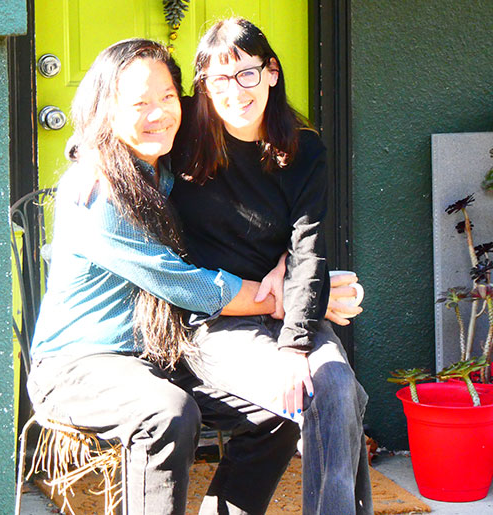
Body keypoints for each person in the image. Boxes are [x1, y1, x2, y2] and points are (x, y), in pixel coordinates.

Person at [27, 35, 365, 515]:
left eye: (168, 98)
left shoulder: (166, 163)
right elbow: (188, 284)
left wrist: (291, 267)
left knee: (282, 402)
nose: (158, 113)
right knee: (167, 414)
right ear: (107, 110)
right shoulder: (99, 193)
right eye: (138, 103)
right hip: (81, 364)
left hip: (161, 355)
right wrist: (286, 299)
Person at [167, 17, 373, 514]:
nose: (234, 91)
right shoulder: (185, 135)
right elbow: (124, 131)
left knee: (338, 385)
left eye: (246, 74)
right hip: (216, 322)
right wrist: (80, 155)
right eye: (218, 79)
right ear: (204, 85)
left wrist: (296, 342)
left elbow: (310, 246)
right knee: (328, 397)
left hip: (283, 315)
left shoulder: (303, 151)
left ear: (272, 72)